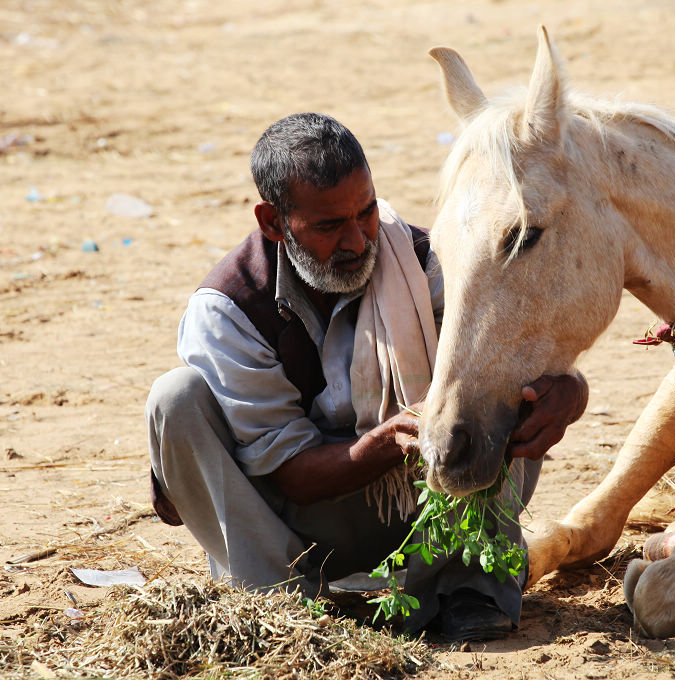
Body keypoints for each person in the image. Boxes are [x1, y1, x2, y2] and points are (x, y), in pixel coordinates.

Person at [146, 112, 587, 642]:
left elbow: (516, 362)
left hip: (427, 510)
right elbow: (293, 476)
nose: (358, 241)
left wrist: (569, 391)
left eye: (367, 211)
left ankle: (472, 584)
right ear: (272, 224)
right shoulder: (228, 311)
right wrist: (385, 439)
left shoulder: (422, 260)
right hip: (298, 526)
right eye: (330, 226)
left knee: (494, 383)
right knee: (175, 397)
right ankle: (278, 601)